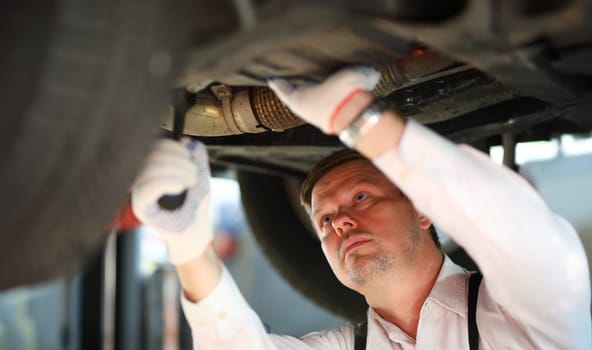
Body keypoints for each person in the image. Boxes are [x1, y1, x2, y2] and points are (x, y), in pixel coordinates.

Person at [131, 67, 591, 349]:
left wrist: (356, 117)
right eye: (325, 220)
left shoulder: (520, 319)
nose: (340, 221)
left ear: (424, 209)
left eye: (361, 197)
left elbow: (534, 243)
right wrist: (187, 240)